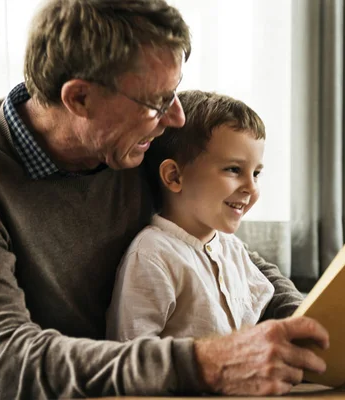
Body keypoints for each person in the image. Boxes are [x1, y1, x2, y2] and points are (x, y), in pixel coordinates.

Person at [0, 1, 345, 398]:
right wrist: (205, 362)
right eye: (157, 102)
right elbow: (1, 366)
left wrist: (333, 337)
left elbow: (227, 254)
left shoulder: (138, 141)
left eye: (175, 93)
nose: (176, 119)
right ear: (79, 97)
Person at [106, 90, 284, 341]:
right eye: (234, 169)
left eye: (256, 174)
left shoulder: (232, 249)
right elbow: (132, 354)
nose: (251, 188)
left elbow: (265, 313)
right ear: (174, 177)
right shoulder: (152, 255)